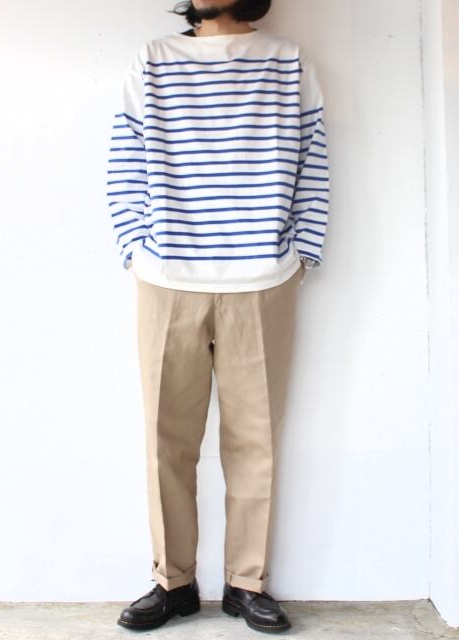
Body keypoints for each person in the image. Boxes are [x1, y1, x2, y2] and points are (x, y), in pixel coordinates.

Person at [106, 0, 329, 633]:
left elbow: (314, 162)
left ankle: (246, 583)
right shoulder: (154, 60)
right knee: (165, 440)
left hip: (263, 279)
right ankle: (171, 582)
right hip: (167, 278)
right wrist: (134, 248)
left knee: (255, 440)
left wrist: (302, 254)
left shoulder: (288, 61)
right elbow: (125, 164)